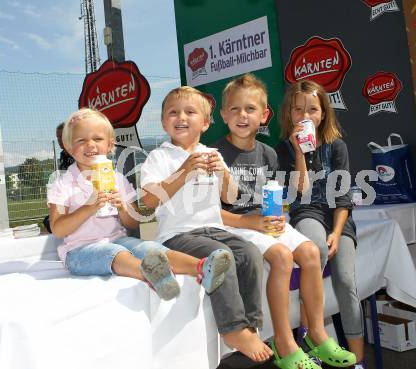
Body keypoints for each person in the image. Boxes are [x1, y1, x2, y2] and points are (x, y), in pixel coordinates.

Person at [216, 73, 356, 369]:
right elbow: (209, 214)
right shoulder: (216, 154)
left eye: (251, 109)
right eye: (236, 109)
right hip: (235, 225)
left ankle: (316, 333)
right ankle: (284, 341)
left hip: (264, 222)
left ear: (264, 115)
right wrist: (254, 223)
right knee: (281, 256)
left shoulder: (268, 152)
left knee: (309, 252)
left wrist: (277, 215)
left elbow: (296, 192)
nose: (243, 116)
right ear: (223, 114)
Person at [140, 86, 273, 362]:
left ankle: (250, 325)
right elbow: (150, 201)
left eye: (190, 112)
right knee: (220, 257)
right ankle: (232, 329)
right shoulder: (159, 157)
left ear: (205, 122)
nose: (181, 118)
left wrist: (223, 173)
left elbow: (231, 197)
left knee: (249, 253)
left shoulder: (212, 153)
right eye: (173, 113)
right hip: (177, 235)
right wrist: (184, 171)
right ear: (164, 122)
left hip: (214, 229)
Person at [47, 108, 232, 301]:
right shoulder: (62, 183)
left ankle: (203, 267)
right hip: (79, 251)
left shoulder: (117, 179)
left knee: (151, 249)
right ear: (69, 147)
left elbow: (132, 224)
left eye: (98, 139)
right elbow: (58, 229)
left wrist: (122, 208)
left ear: (110, 145)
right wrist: (89, 207)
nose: (90, 145)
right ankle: (152, 275)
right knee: (114, 252)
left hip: (117, 239)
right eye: (81, 140)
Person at [275, 80, 365, 369]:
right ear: (289, 114)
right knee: (315, 250)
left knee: (346, 281)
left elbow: (343, 199)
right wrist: (300, 151)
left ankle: (357, 361)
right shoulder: (283, 148)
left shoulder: (337, 146)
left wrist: (338, 234)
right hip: (306, 212)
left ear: (323, 113)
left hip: (337, 218)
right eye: (298, 109)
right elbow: (299, 193)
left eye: (312, 109)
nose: (305, 116)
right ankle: (311, 339)